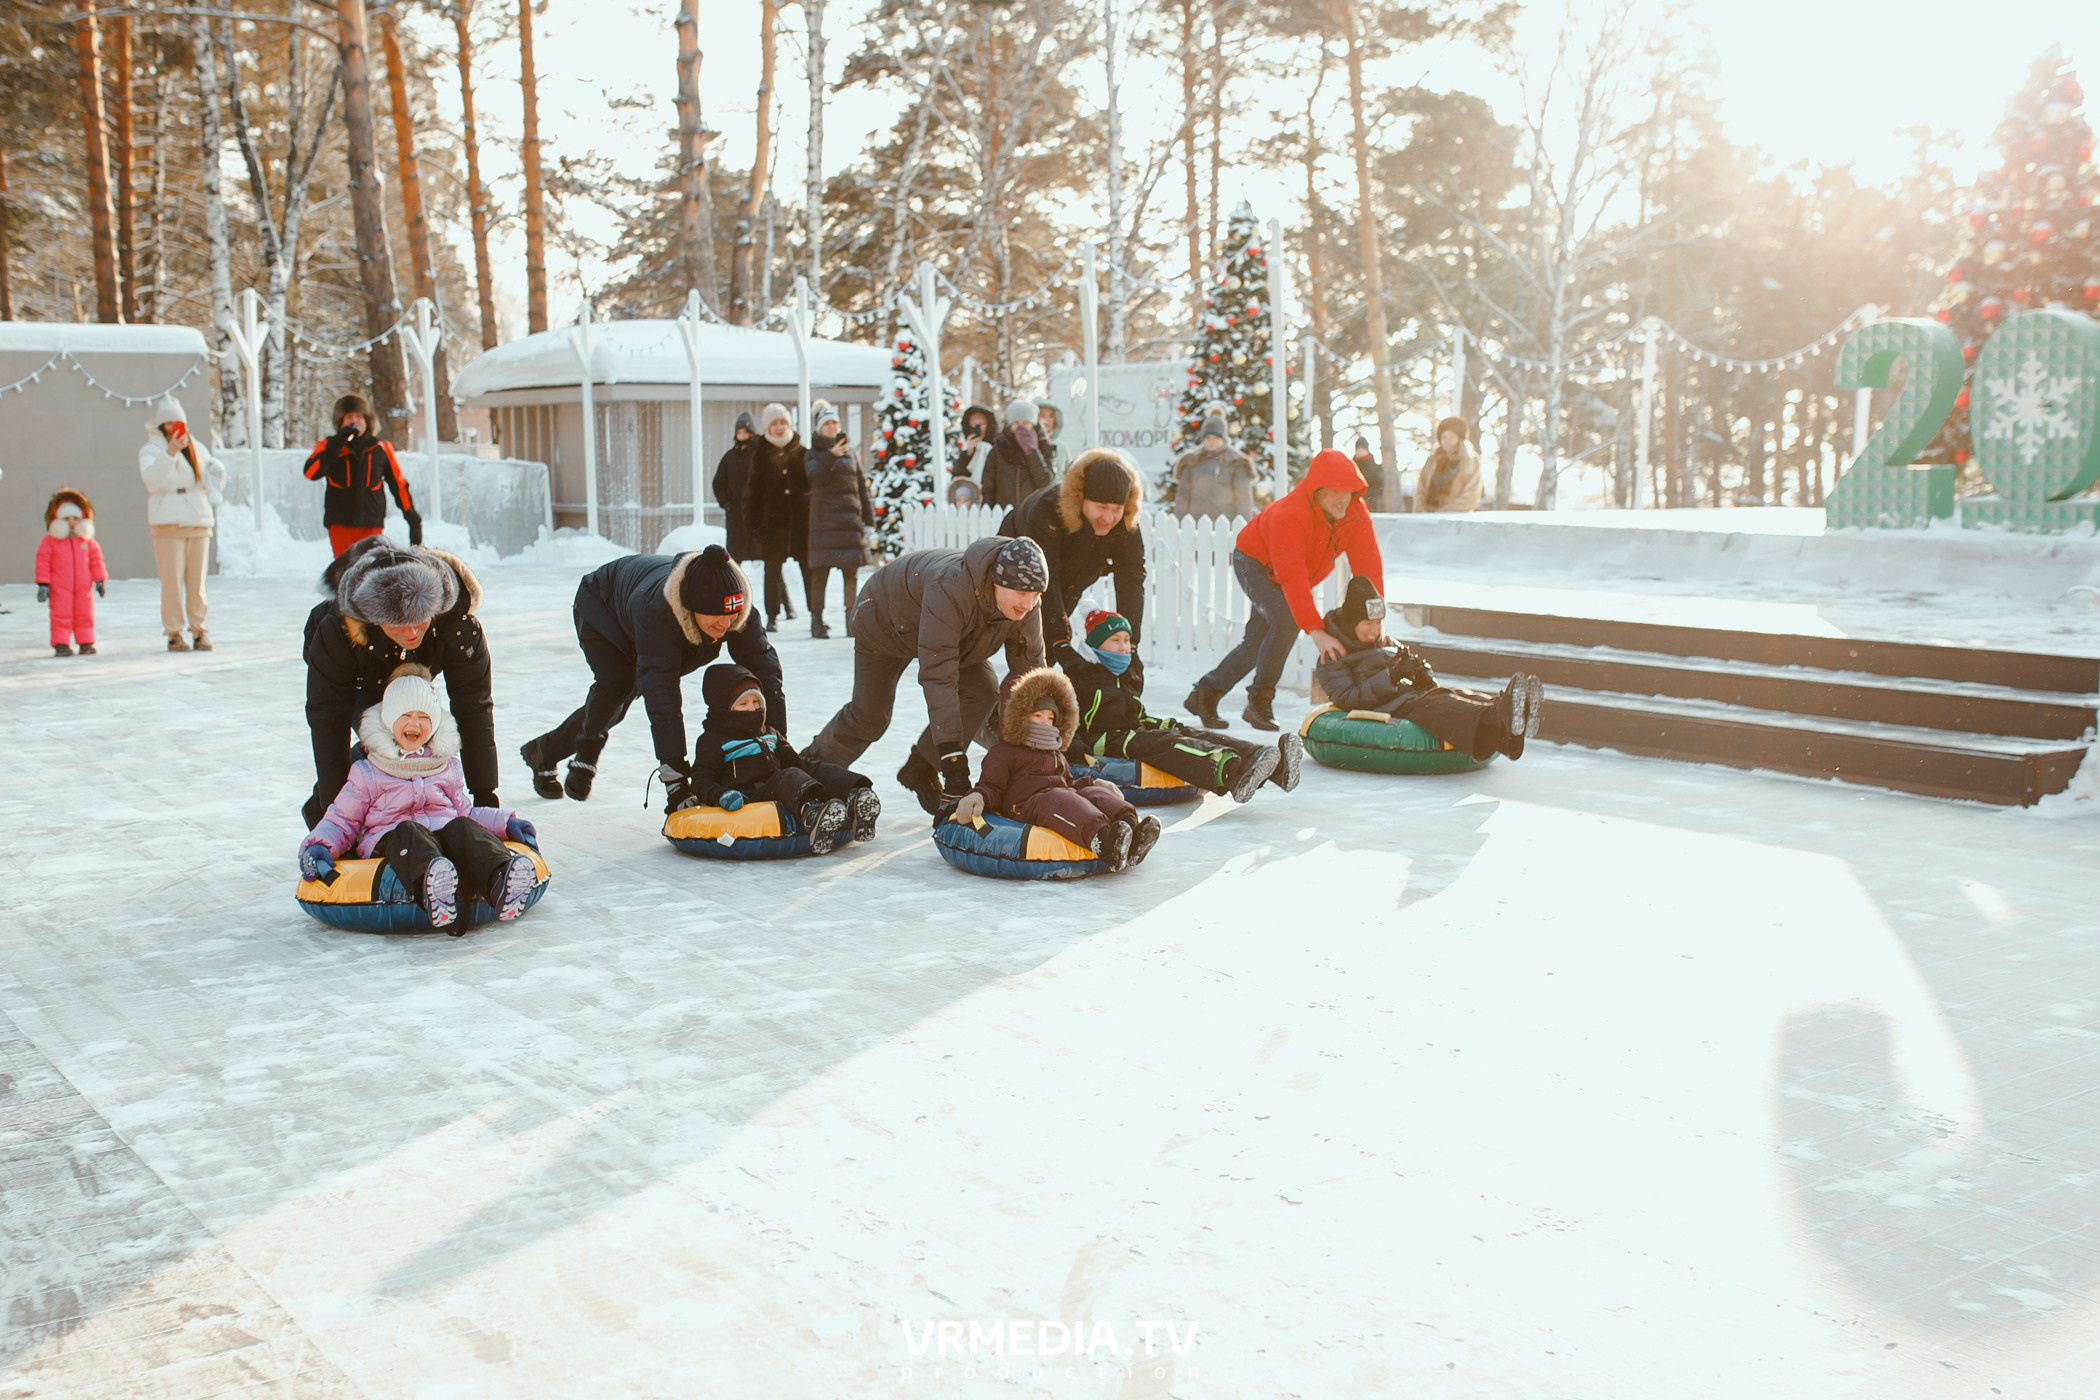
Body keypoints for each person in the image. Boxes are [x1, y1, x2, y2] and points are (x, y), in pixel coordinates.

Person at [519, 544, 785, 807]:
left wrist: (778, 750)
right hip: (601, 603)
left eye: (732, 615)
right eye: (716, 616)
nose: (726, 624)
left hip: (638, 601)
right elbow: (663, 702)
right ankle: (585, 750)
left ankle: (544, 751)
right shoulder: (659, 614)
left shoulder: (735, 608)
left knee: (628, 693)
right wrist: (676, 781)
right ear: (692, 606)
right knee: (619, 685)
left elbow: (768, 678)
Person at [802, 536, 1048, 815]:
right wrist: (954, 764)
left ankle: (920, 767)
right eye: (1021, 593)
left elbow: (1031, 676)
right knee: (870, 717)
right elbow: (939, 676)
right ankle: (808, 770)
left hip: (951, 633)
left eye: (1036, 595)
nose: (1028, 603)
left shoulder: (1025, 604)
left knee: (983, 691)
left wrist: (1048, 738)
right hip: (884, 621)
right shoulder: (952, 588)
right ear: (996, 581)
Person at [299, 667, 540, 934]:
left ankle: (501, 880)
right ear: (390, 720)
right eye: (406, 716)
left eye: (424, 717)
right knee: (409, 831)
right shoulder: (368, 771)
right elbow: (342, 819)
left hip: (442, 838)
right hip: (393, 842)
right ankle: (433, 885)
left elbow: (466, 812)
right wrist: (319, 846)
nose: (415, 724)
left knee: (461, 827)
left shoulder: (445, 765)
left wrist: (506, 823)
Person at [1184, 447, 1385, 733]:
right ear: (1316, 490)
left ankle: (1205, 694)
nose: (1343, 499)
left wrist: (1375, 615)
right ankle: (1260, 700)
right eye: (1335, 491)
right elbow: (1293, 576)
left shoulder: (1354, 511)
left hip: (1284, 572)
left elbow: (1368, 563)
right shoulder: (1290, 515)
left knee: (1256, 643)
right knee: (1286, 622)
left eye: (1349, 491)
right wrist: (1315, 630)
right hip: (1253, 562)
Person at [303, 537, 495, 828]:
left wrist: (485, 798)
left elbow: (474, 707)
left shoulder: (457, 624)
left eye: (420, 621)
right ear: (373, 617)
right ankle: (327, 808)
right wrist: (334, 812)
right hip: (360, 672)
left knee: (420, 733)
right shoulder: (339, 632)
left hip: (413, 668)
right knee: (385, 739)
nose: (411, 633)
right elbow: (328, 720)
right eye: (398, 624)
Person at [1066, 610, 1300, 803]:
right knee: (1168, 743)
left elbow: (1135, 715)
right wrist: (1077, 751)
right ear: (1096, 645)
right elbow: (1068, 720)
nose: (1123, 648)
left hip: (1129, 733)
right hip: (1105, 740)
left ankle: (1268, 763)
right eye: (1115, 641)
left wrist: (1163, 724)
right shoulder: (1081, 677)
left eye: (1126, 640)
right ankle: (1232, 773)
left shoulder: (1124, 674)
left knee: (1188, 732)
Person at [948, 667, 1160, 873]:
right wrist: (978, 796)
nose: (1045, 723)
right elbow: (991, 786)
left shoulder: (1054, 751)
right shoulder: (1003, 752)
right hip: (1027, 804)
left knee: (1092, 795)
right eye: (1038, 716)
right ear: (1020, 717)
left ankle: (1132, 831)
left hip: (1059, 794)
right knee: (1063, 800)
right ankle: (1104, 842)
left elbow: (1067, 783)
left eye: (1050, 718)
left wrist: (1094, 785)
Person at [1313, 576, 1541, 760]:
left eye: (1378, 623)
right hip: (1384, 708)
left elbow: (1412, 670)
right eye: (1368, 624)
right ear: (1353, 623)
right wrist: (1391, 676)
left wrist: (1422, 674)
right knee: (1436, 703)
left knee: (1450, 695)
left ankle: (1508, 728)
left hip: (1407, 697)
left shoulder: (1385, 642)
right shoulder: (1333, 654)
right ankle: (1503, 712)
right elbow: (1347, 697)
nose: (1375, 631)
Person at [684, 664, 881, 853]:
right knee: (789, 775)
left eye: (756, 702)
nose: (752, 709)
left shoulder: (769, 733)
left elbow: (796, 763)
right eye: (743, 704)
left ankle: (855, 796)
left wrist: (827, 775)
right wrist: (721, 795)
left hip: (779, 787)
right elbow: (701, 780)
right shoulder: (713, 741)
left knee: (815, 768)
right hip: (749, 797)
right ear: (724, 709)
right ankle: (812, 814)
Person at [996, 448, 1146, 665]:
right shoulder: (1049, 509)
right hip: (1021, 565)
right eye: (1101, 507)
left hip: (1076, 571)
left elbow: (1131, 578)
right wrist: (1060, 637)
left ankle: (1031, 685)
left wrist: (1132, 645)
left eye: (1116, 508)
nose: (1108, 517)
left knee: (1046, 652)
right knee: (1024, 638)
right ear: (1081, 498)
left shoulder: (1125, 523)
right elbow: (1047, 580)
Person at [138, 395, 225, 653]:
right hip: (167, 522)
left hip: (198, 519)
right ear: (161, 425)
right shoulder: (150, 450)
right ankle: (174, 632)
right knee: (172, 582)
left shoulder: (197, 448)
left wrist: (219, 475)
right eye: (169, 423)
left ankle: (200, 629)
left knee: (197, 582)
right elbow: (153, 481)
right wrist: (170, 453)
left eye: (179, 422)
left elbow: (210, 478)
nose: (175, 428)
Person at [303, 393, 422, 554]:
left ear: (367, 420)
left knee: (368, 572)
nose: (354, 421)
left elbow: (398, 484)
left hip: (371, 524)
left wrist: (412, 519)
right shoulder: (328, 446)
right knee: (344, 574)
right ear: (340, 422)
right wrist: (337, 443)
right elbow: (311, 472)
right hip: (340, 525)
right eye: (349, 416)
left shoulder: (381, 448)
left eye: (359, 416)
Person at [803, 403, 875, 639]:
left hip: (850, 523)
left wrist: (868, 516)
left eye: (835, 423)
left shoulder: (851, 452)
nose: (832, 427)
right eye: (827, 424)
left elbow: (861, 486)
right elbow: (816, 479)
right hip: (824, 524)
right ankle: (817, 621)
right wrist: (830, 457)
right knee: (820, 574)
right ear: (819, 429)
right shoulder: (812, 454)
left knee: (850, 575)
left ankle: (850, 620)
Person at [743, 402, 809, 629]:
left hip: (801, 525)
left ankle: (815, 617)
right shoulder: (759, 454)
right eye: (774, 424)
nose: (779, 428)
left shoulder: (801, 452)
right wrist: (755, 527)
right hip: (772, 526)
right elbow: (752, 494)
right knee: (772, 573)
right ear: (767, 427)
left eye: (782, 423)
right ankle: (772, 617)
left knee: (809, 571)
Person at [36, 489, 106, 657]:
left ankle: (86, 642)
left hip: (83, 587)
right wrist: (43, 584)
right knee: (61, 614)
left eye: (75, 518)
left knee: (85, 614)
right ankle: (61, 643)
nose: (72, 522)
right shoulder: (50, 542)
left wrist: (100, 580)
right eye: (66, 519)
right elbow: (43, 562)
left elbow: (96, 560)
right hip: (60, 587)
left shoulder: (87, 541)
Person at [1171, 414, 1257, 520]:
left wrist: (1242, 526)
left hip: (1226, 524)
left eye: (1216, 437)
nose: (1211, 441)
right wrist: (1180, 522)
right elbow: (1182, 498)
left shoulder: (1236, 463)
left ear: (1223, 438)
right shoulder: (1191, 462)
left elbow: (1243, 500)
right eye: (1207, 438)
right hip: (1195, 524)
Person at [984, 398, 1053, 508]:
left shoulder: (1044, 448)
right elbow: (988, 486)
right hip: (1003, 512)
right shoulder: (998, 450)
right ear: (1010, 425)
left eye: (1025, 423)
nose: (1021, 428)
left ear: (1033, 425)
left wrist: (1032, 452)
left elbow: (1044, 481)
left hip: (1031, 513)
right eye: (1016, 423)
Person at [712, 410, 760, 563]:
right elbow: (718, 483)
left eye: (746, 432)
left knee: (768, 560)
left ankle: (777, 588)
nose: (743, 436)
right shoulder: (729, 457)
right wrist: (727, 503)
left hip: (759, 516)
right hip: (736, 516)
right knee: (735, 560)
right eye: (740, 432)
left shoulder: (761, 455)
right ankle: (735, 586)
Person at [1416, 417, 1483, 513]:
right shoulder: (1432, 461)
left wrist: (1442, 512)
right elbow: (1420, 490)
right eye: (1444, 437)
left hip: (1455, 518)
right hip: (1428, 517)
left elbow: (1471, 496)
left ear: (1459, 439)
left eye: (1451, 437)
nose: (1447, 441)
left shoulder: (1471, 462)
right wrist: (1422, 512)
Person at [1351, 436, 1388, 514]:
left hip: (1371, 504)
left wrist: (1369, 499)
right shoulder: (1351, 467)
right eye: (1358, 449)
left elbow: (1378, 487)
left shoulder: (1376, 468)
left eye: (1362, 449)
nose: (1360, 452)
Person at [1036, 402, 1067, 478]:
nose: (1047, 420)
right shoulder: (1028, 445)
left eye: (1051, 416)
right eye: (1042, 415)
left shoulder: (1061, 446)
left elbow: (1070, 475)